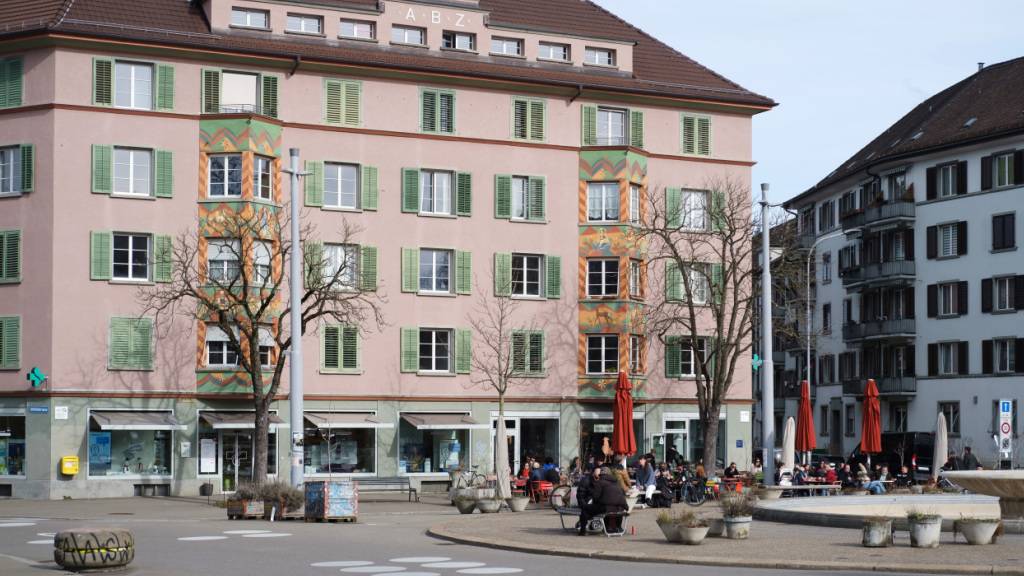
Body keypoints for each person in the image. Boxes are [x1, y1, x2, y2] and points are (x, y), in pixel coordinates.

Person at [579, 466, 627, 535]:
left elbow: (595, 497)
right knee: (605, 508)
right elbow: (622, 496)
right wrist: (626, 507)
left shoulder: (600, 482)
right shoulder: (616, 483)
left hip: (606, 508)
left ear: (601, 474)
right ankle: (617, 527)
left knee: (585, 509)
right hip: (619, 508)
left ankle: (582, 530)